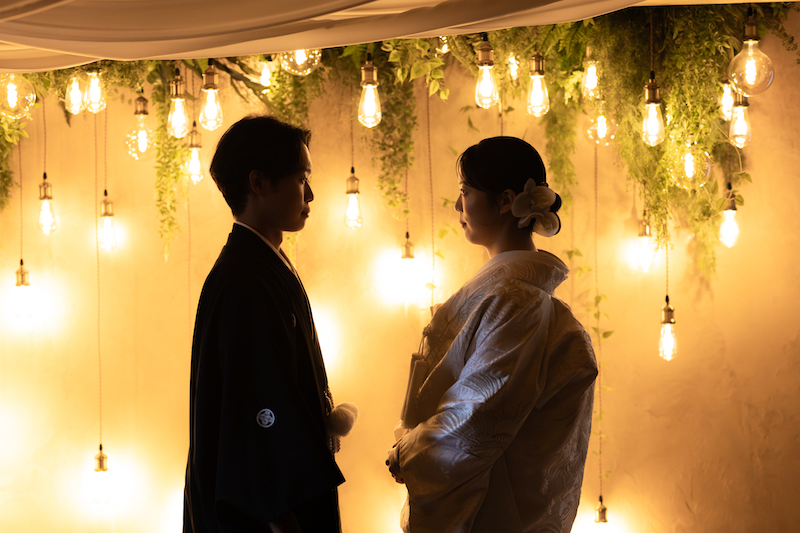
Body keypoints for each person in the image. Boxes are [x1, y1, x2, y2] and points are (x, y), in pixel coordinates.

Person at [387, 137, 597, 533]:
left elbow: (482, 412)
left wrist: (411, 450)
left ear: (505, 201)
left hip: (492, 506)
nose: (458, 205)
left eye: (466, 191)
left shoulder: (515, 299)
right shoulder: (511, 293)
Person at [184, 115, 356, 533]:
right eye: (301, 179)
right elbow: (254, 405)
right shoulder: (245, 278)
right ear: (259, 183)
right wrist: (282, 518)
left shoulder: (262, 264)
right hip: (271, 517)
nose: (310, 194)